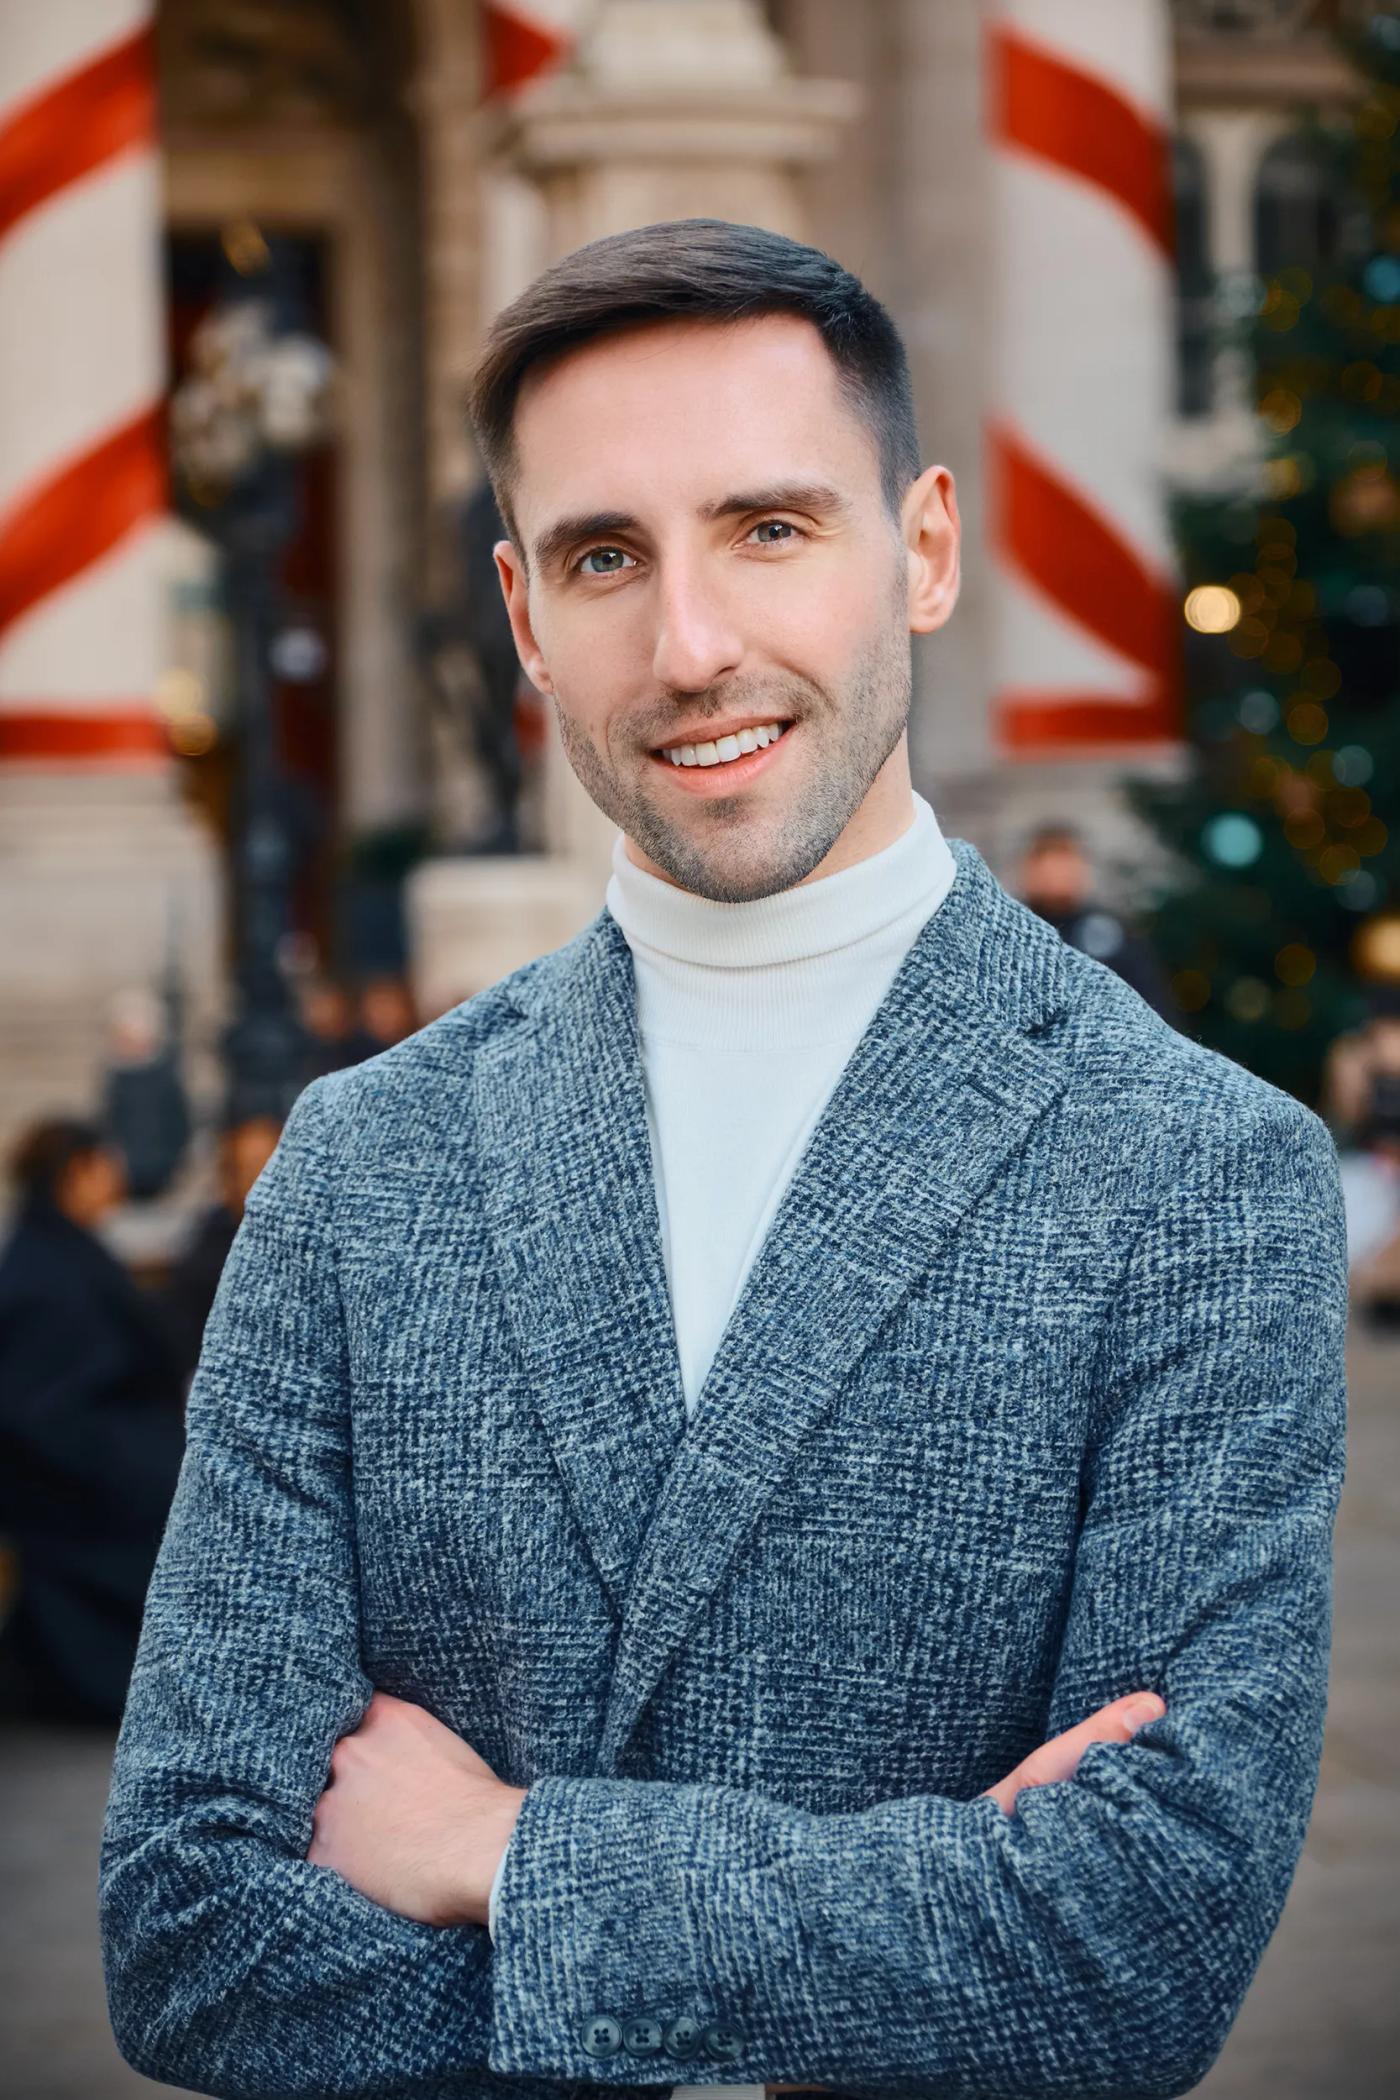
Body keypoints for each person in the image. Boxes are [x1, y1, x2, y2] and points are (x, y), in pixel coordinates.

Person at [101, 221, 1349, 2100]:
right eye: (607, 557)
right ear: (524, 618)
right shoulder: (362, 1170)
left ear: (921, 551)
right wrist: (899, 1959)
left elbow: (1131, 1964)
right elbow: (191, 1941)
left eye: (770, 528)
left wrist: (499, 1855)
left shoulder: (1202, 1175)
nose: (690, 648)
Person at [0, 1120, 185, 1722]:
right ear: (77, 1173)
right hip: (72, 1483)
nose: (119, 1174)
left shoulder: (57, 1251)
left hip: (94, 1453)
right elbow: (46, 1413)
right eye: (107, 1162)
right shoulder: (46, 1274)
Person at [1016, 822, 1176, 1021]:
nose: (1057, 875)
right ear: (1029, 871)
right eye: (1047, 864)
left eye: (1065, 862)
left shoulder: (1113, 934)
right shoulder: (1011, 932)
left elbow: (1153, 1004)